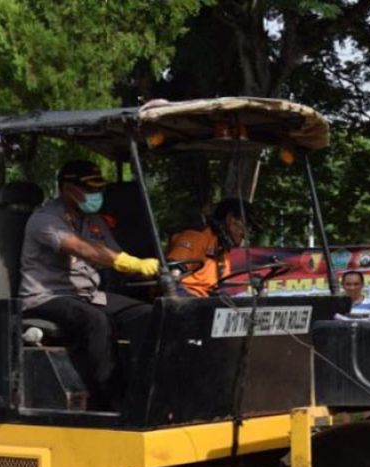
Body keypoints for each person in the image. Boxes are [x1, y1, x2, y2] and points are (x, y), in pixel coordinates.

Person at [19, 159, 160, 409]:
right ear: (67, 187)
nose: (96, 194)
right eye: (89, 189)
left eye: (99, 189)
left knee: (148, 314)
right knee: (97, 322)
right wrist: (130, 263)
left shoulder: (93, 220)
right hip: (46, 298)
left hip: (87, 295)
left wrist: (150, 270)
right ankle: (112, 402)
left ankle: (148, 391)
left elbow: (112, 253)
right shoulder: (44, 220)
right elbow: (85, 250)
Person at [166, 198, 260, 297]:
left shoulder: (223, 250)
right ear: (230, 219)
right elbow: (172, 278)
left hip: (205, 302)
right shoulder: (196, 237)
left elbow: (219, 287)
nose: (245, 234)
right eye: (246, 225)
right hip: (186, 299)